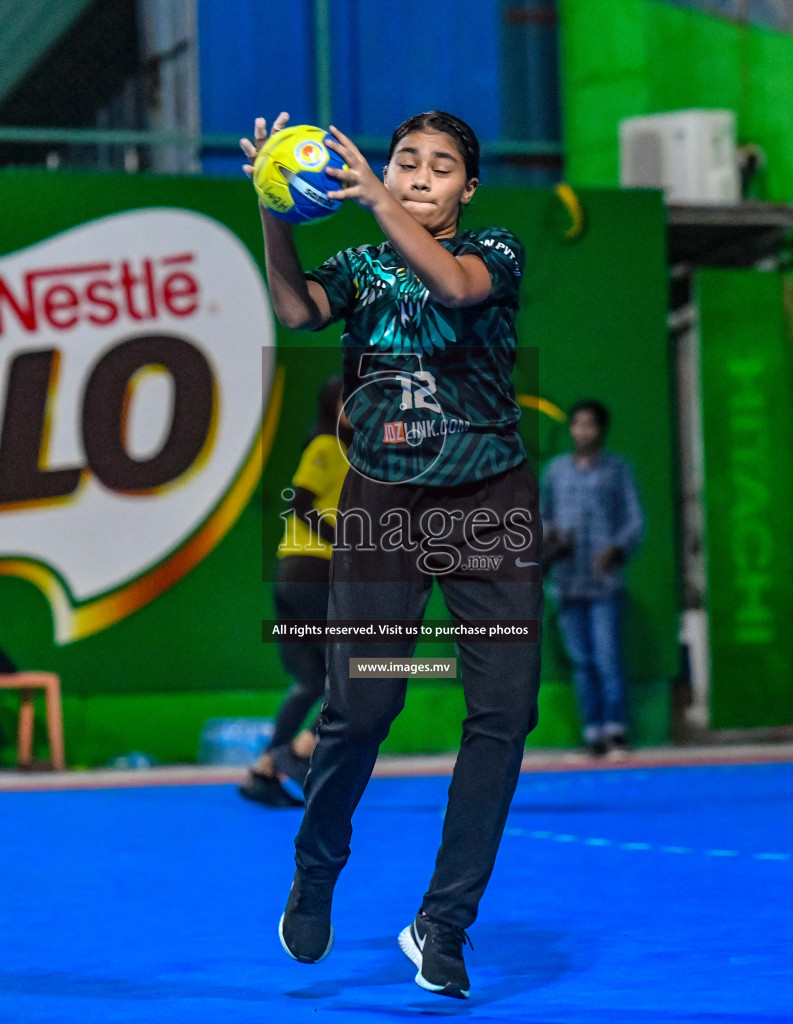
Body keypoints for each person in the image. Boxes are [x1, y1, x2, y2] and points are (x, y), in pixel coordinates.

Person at [241, 110, 539, 1000]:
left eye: (438, 167)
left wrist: (370, 195)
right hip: (385, 505)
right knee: (364, 707)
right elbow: (295, 309)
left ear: (467, 188)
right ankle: (318, 863)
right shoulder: (363, 267)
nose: (417, 175)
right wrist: (271, 206)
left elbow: (451, 287)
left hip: (488, 500)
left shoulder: (496, 250)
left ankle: (442, 924)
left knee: (503, 714)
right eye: (405, 161)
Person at [239, 377, 349, 808]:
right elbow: (300, 503)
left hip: (294, 573)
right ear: (330, 405)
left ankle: (263, 771)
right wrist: (340, 541)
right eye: (348, 399)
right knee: (355, 674)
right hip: (310, 571)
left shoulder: (354, 452)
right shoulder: (326, 447)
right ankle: (295, 752)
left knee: (310, 680)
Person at [541, 400, 644, 757]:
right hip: (567, 581)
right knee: (581, 661)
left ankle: (617, 731)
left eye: (590, 424)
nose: (583, 431)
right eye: (577, 424)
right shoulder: (555, 471)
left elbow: (634, 521)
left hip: (603, 582)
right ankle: (594, 733)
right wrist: (551, 539)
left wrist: (616, 548)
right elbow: (541, 517)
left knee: (607, 657)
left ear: (601, 429)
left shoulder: (617, 471)